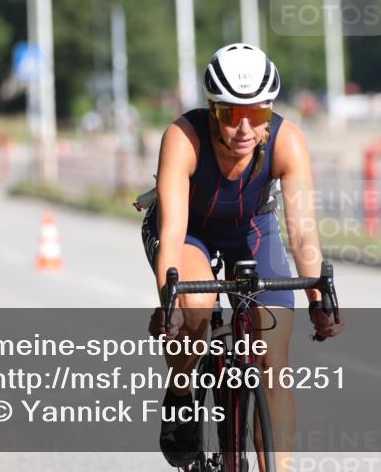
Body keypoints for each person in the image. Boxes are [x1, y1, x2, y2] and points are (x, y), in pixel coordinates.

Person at [141, 43, 343, 469]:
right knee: (195, 313)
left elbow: (303, 230)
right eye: (233, 114)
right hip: (190, 233)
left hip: (250, 229)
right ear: (213, 108)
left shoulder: (288, 141)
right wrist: (170, 303)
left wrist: (318, 302)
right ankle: (181, 392)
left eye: (258, 113)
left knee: (274, 361)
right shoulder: (183, 138)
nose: (246, 127)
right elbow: (174, 233)